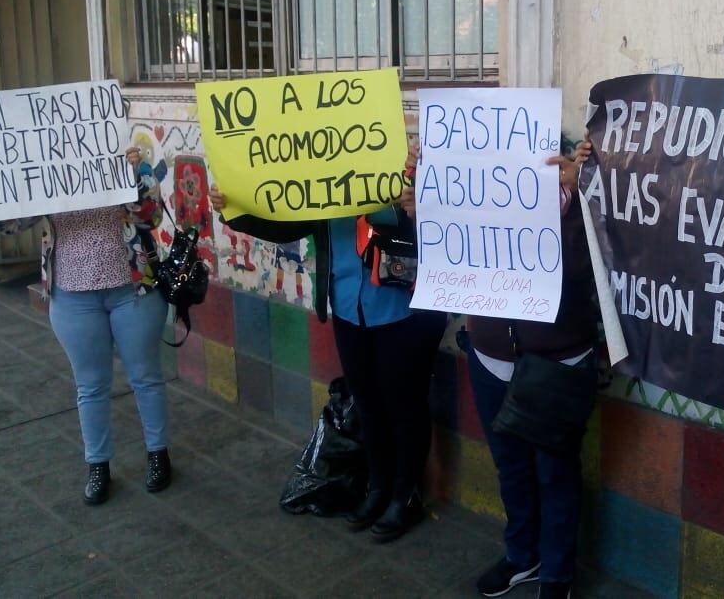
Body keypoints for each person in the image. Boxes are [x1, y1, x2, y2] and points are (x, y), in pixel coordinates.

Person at [210, 150, 447, 544]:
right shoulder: (323, 172)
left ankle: (405, 497)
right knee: (367, 404)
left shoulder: (406, 166)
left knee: (405, 407)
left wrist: (418, 203)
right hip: (349, 307)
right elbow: (288, 221)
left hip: (404, 310)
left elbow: (447, 229)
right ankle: (378, 487)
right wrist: (233, 210)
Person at [402, 143, 599, 599]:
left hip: (557, 361)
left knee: (555, 470)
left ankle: (557, 574)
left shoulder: (572, 192)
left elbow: (586, 270)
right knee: (510, 465)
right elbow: (447, 253)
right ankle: (522, 555)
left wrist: (576, 200)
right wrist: (424, 209)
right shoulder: (469, 191)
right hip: (491, 357)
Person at [0, 146, 171, 505]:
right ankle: (98, 465)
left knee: (146, 377)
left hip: (132, 289)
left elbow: (151, 217)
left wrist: (133, 174)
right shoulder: (44, 169)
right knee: (90, 385)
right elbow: (10, 225)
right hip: (72, 296)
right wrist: (12, 177)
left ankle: (158, 454)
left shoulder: (127, 163)